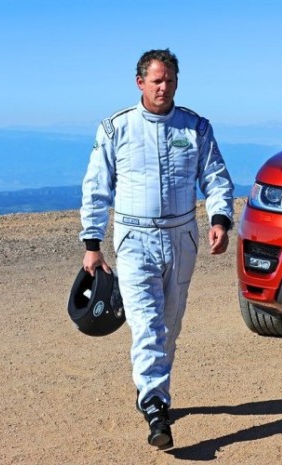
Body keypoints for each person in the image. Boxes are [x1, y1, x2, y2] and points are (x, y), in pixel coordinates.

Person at [79, 48, 234, 450]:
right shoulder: (116, 128)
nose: (164, 87)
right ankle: (155, 406)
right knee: (147, 325)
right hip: (134, 240)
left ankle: (151, 389)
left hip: (182, 239)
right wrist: (92, 243)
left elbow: (215, 177)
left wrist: (220, 219)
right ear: (140, 83)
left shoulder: (195, 127)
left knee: (169, 325)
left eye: (170, 80)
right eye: (157, 80)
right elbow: (96, 187)